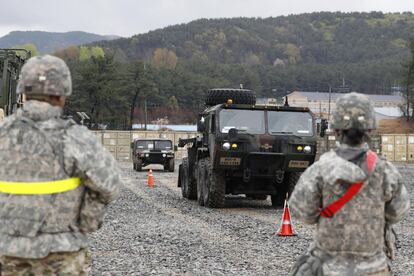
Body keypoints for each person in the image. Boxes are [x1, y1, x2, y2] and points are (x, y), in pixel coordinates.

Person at [0, 55, 121, 275]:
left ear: (23, 93)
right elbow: (109, 184)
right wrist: (88, 219)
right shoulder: (75, 138)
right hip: (62, 256)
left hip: (6, 254)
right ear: (62, 96)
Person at [289, 92, 410, 276]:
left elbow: (302, 212)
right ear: (370, 129)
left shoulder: (321, 169)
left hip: (329, 268)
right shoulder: (385, 170)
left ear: (337, 130)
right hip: (374, 269)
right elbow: (399, 211)